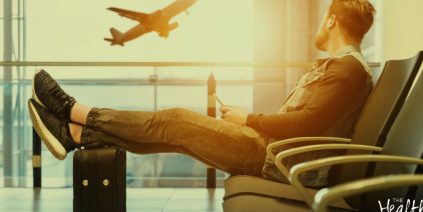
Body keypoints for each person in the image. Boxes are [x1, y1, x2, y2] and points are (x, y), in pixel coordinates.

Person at [28, 0, 376, 186]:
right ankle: (75, 133)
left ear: (331, 20)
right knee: (176, 135)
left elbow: (307, 121)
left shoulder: (347, 69)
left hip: (276, 159)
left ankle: (76, 112)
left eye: (322, 19)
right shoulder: (344, 67)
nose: (318, 26)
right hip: (274, 150)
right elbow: (308, 120)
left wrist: (249, 118)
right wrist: (250, 120)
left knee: (175, 121)